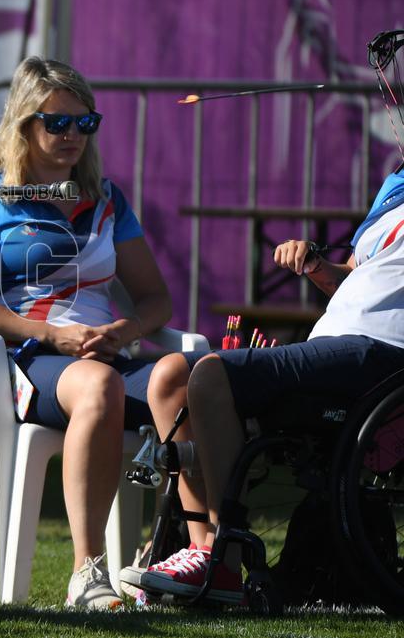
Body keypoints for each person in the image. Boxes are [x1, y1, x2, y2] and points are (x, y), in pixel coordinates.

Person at [0, 57, 172, 610]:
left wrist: (125, 329)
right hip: (21, 365)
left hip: (103, 356)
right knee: (98, 387)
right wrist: (47, 334)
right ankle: (87, 574)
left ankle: (184, 557)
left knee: (195, 382)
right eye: (57, 123)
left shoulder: (108, 197)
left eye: (85, 123)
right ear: (23, 124)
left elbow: (156, 299)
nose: (73, 136)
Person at [127, 165, 404, 604]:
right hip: (337, 345)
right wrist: (316, 264)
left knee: (212, 375)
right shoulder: (396, 187)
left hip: (383, 352)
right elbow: (355, 275)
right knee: (168, 378)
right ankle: (204, 550)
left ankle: (223, 557)